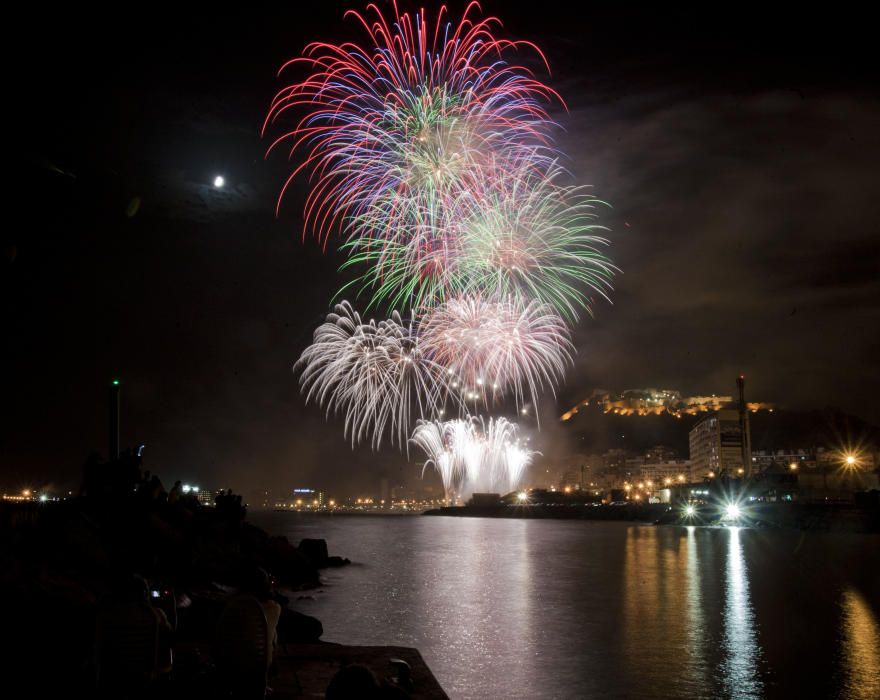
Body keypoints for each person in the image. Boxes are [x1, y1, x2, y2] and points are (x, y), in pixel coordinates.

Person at [239, 567, 282, 668]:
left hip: (230, 666)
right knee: (273, 632)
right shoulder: (274, 608)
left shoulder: (233, 606)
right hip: (259, 668)